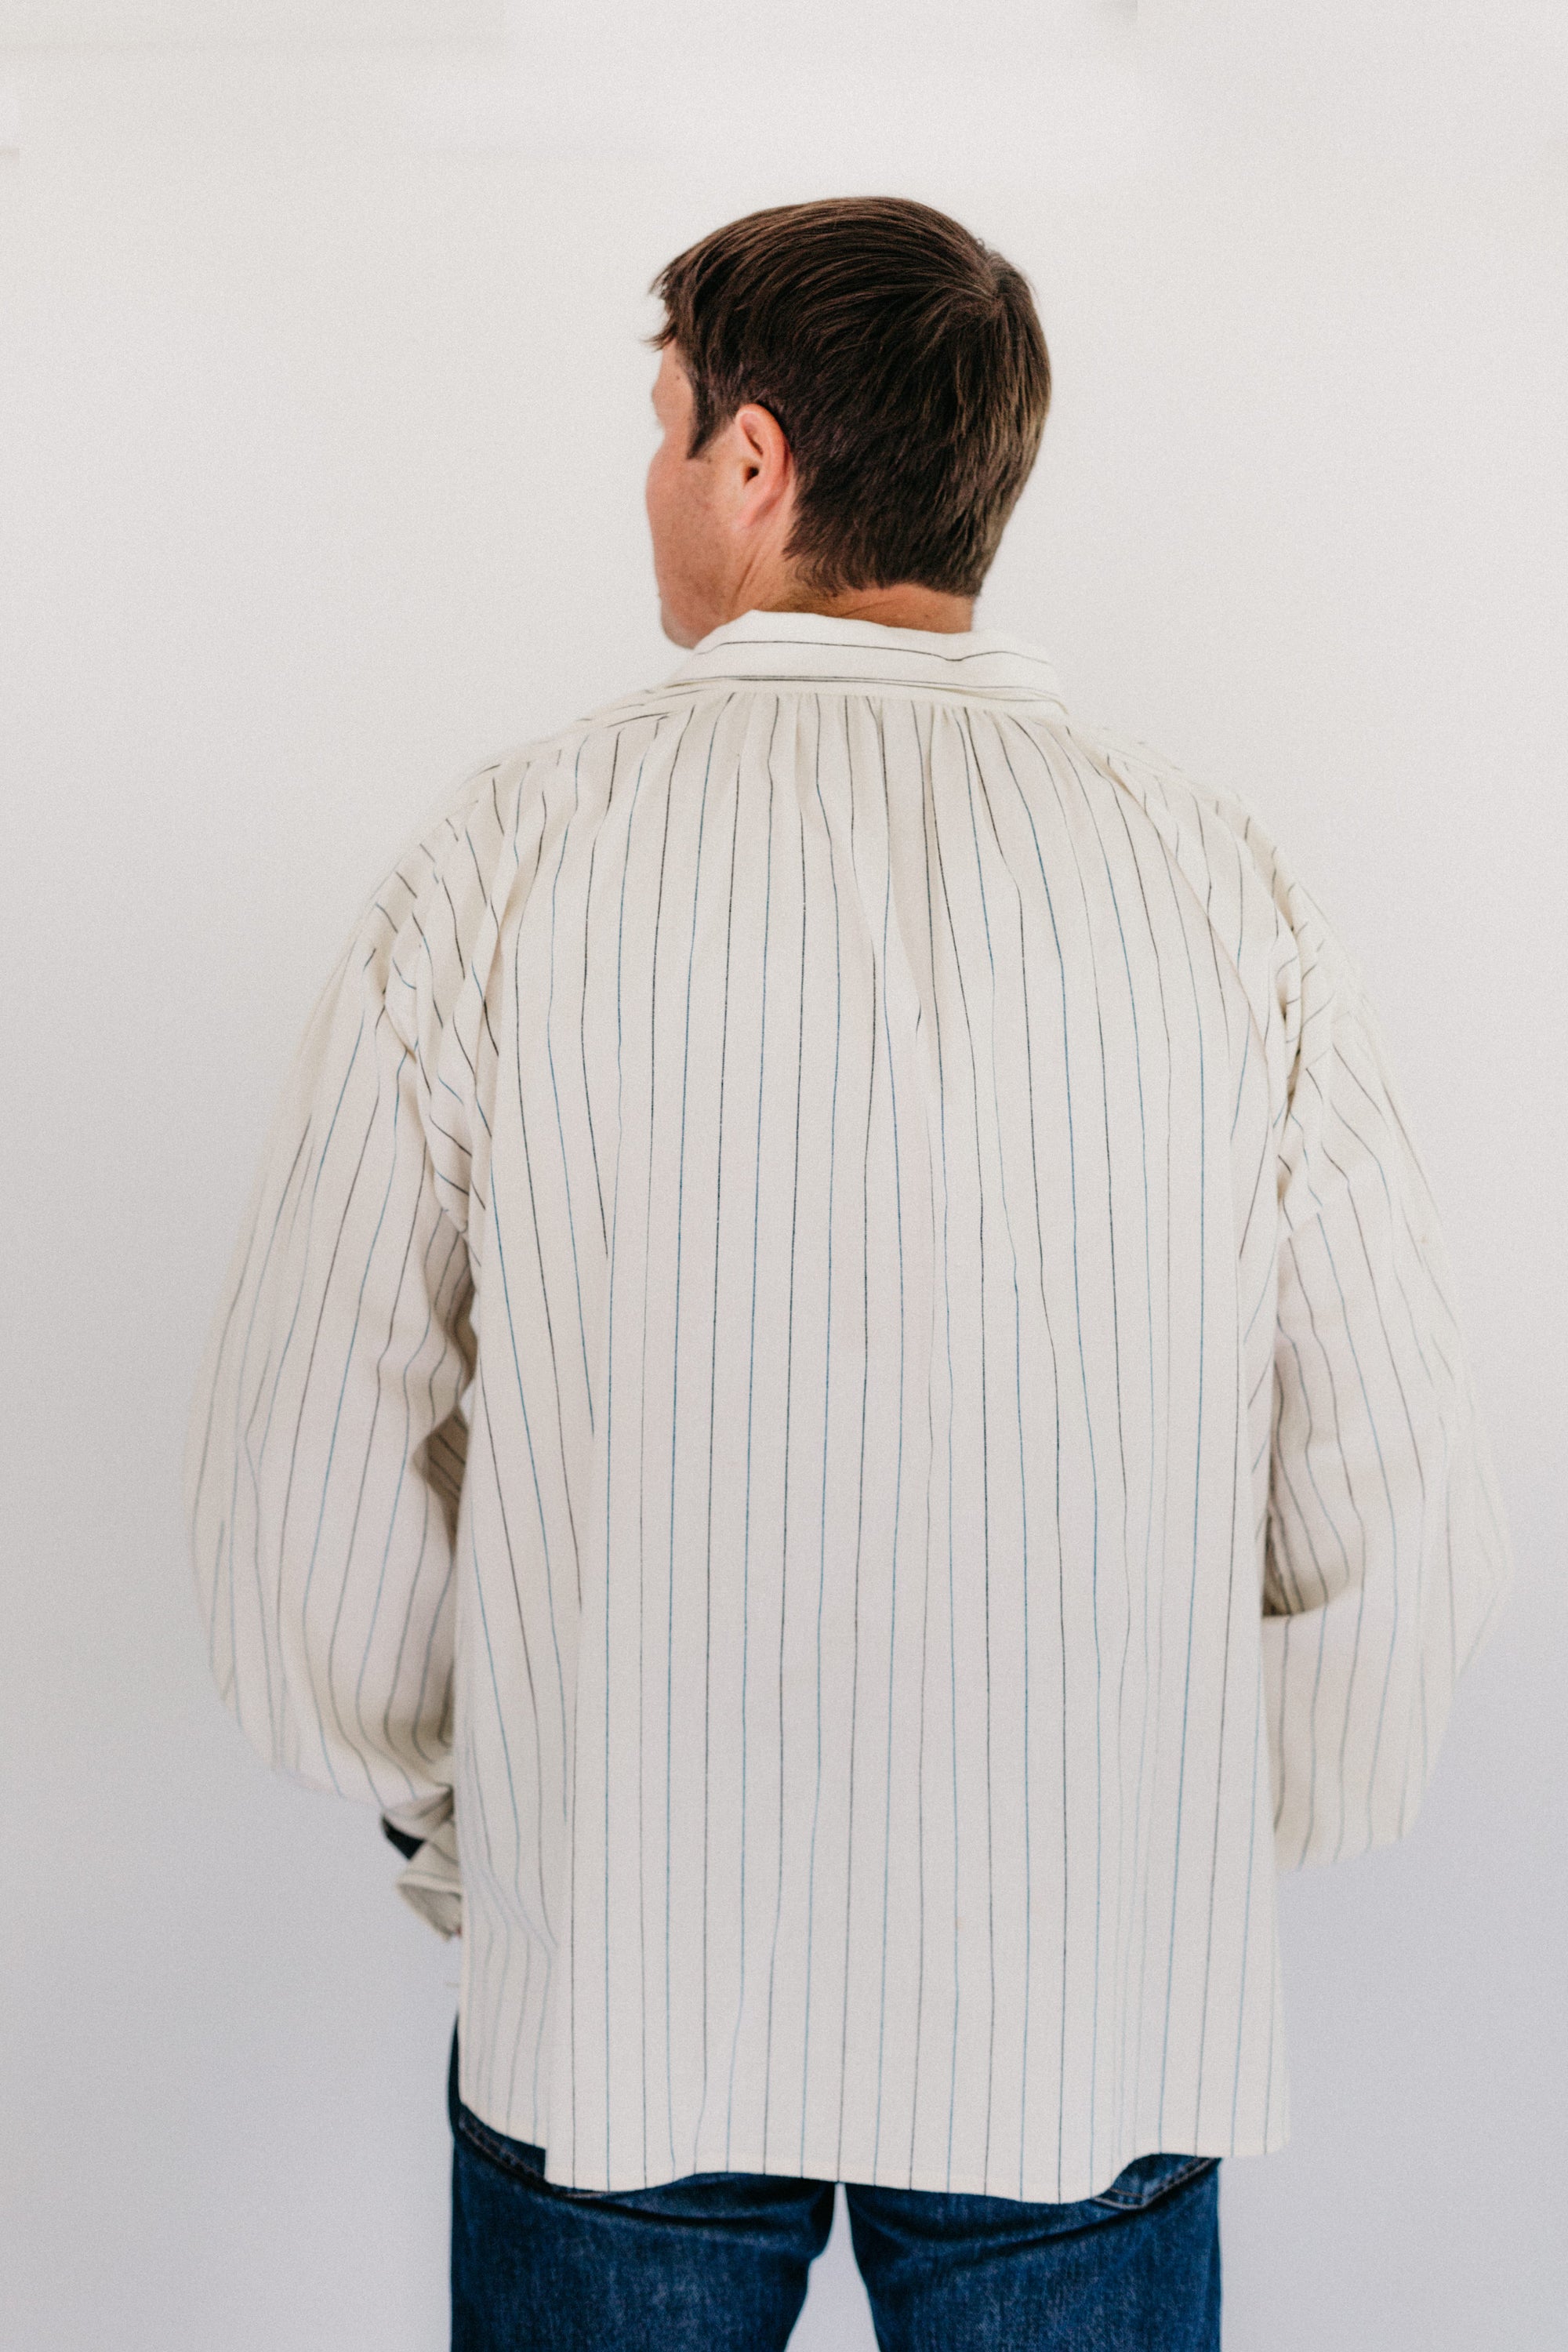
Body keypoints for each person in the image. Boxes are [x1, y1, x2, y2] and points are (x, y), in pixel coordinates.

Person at [183, 196, 1513, 2350]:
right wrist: (1141, 1819)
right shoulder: (1222, 891)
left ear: (754, 461)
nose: (650, 478)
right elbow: (1391, 1519)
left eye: (663, 424)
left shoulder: (510, 863)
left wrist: (479, 1817)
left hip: (618, 1985)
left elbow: (303, 1488)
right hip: (1083, 2025)